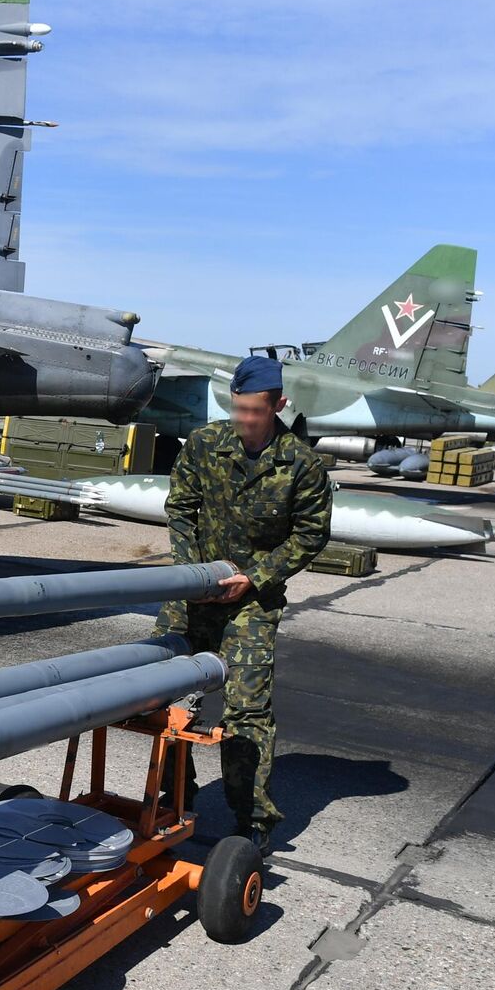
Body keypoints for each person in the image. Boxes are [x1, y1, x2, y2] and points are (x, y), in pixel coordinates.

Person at [151, 355, 331, 855]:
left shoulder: (302, 465)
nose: (246, 419)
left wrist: (255, 578)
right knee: (157, 694)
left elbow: (312, 534)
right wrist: (192, 574)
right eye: (238, 408)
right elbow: (181, 509)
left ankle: (252, 818)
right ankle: (173, 793)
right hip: (193, 596)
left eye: (255, 410)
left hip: (251, 602)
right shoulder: (206, 445)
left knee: (248, 709)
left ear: (278, 406)